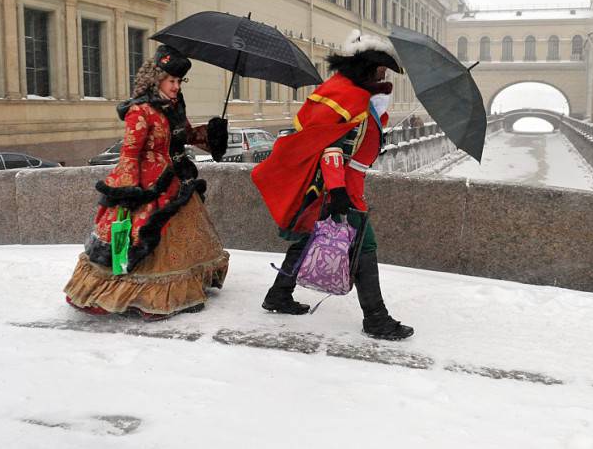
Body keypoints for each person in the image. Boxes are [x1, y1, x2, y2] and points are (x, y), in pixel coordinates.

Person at [252, 30, 414, 340]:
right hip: (340, 188)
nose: (383, 75)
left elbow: (359, 135)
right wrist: (338, 190)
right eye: (380, 69)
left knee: (307, 238)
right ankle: (376, 318)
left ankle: (279, 294)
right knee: (365, 247)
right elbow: (331, 147)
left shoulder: (360, 97)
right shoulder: (346, 97)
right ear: (366, 68)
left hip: (340, 185)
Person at [64, 45, 230, 321]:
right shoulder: (140, 110)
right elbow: (129, 153)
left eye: (180, 81)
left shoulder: (174, 107)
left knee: (181, 239)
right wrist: (130, 193)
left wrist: (213, 133)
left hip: (177, 179)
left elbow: (185, 135)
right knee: (143, 238)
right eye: (172, 81)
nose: (177, 86)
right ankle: (139, 295)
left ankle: (182, 287)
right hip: (147, 185)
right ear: (157, 79)